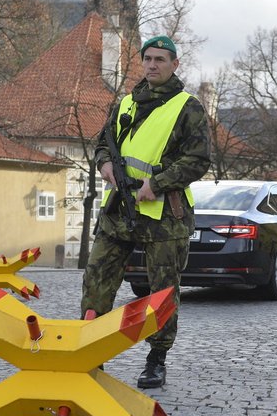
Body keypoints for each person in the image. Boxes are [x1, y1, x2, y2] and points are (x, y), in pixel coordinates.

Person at [81, 35, 211, 389]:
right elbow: (102, 145)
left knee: (162, 292)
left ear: (174, 65)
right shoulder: (124, 103)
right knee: (96, 280)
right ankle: (91, 356)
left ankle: (157, 359)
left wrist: (157, 184)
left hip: (165, 215)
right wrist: (105, 165)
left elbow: (198, 160)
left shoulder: (188, 107)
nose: (152, 65)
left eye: (160, 60)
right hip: (118, 209)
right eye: (148, 59)